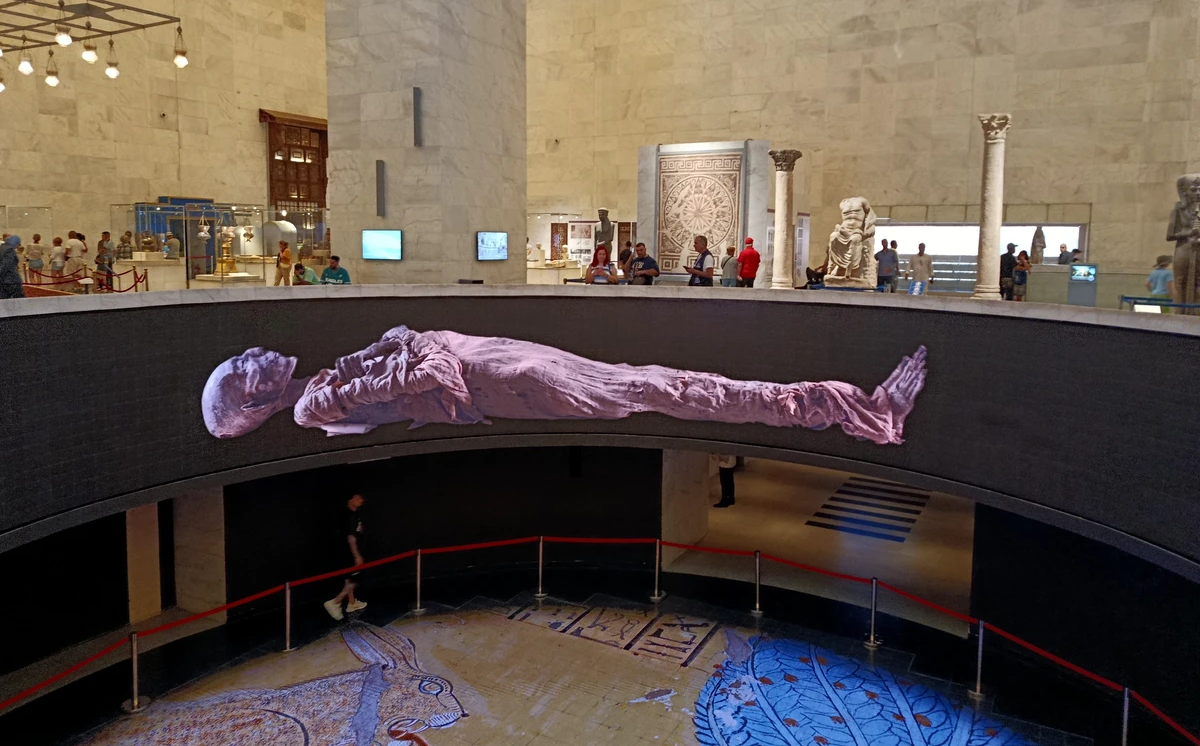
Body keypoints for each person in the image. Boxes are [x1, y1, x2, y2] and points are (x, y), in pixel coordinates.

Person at [202, 330, 929, 447]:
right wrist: (419, 345)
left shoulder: (328, 379)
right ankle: (853, 409)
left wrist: (417, 343)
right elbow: (432, 371)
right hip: (507, 378)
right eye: (240, 371)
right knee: (666, 386)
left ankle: (851, 409)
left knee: (662, 383)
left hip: (499, 362)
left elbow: (417, 353)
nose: (249, 356)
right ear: (253, 402)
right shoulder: (314, 404)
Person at [324, 493, 368, 620]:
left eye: (361, 498)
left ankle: (352, 603)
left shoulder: (354, 514)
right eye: (358, 498)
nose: (361, 500)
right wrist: (356, 555)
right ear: (350, 499)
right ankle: (335, 602)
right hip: (350, 553)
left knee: (349, 578)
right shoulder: (348, 516)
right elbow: (351, 537)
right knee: (355, 579)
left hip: (347, 552)